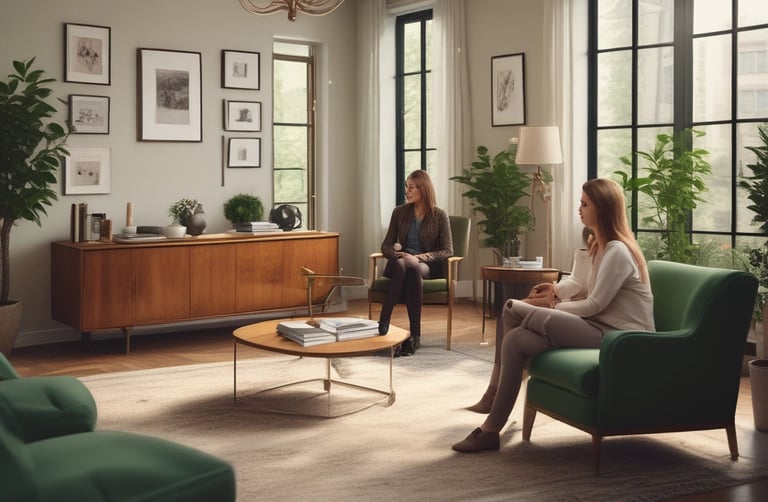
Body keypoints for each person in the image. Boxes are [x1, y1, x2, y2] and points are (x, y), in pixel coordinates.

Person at [453, 177, 654, 452]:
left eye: (585, 204)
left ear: (603, 208)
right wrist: (555, 292)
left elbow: (594, 304)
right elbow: (579, 284)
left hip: (621, 337)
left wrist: (551, 307)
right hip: (597, 327)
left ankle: (494, 393)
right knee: (515, 340)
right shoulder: (598, 244)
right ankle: (491, 430)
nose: (579, 209)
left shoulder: (618, 250)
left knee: (511, 308)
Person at [378, 170, 453, 356]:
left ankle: (385, 318)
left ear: (423, 189)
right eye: (406, 187)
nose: (407, 191)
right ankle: (415, 336)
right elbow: (386, 245)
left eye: (411, 187)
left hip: (424, 264)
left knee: (412, 266)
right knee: (406, 266)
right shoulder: (399, 212)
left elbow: (447, 250)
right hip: (400, 262)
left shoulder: (439, 215)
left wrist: (418, 257)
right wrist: (397, 255)